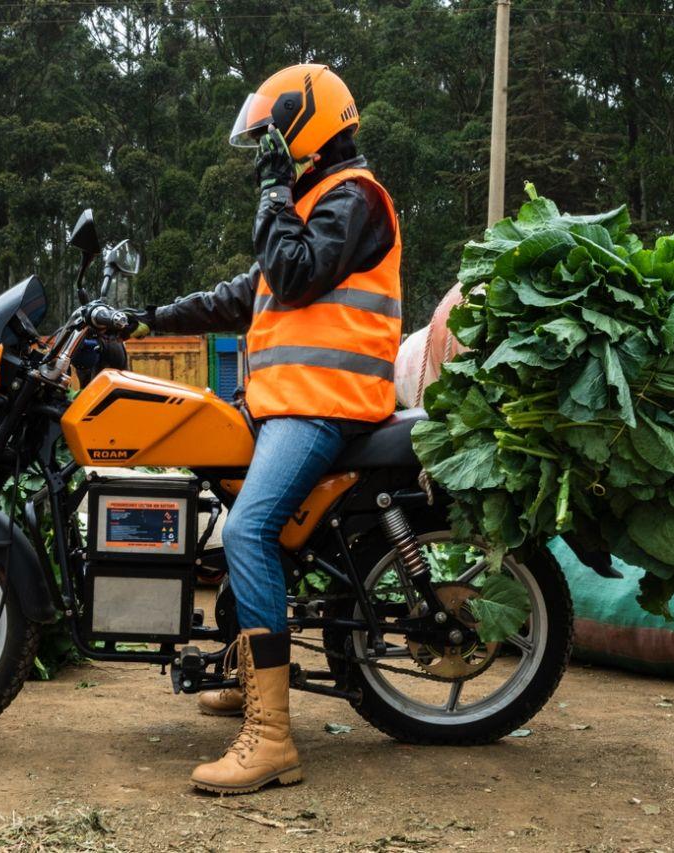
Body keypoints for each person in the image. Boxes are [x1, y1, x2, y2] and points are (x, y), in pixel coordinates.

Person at [127, 64, 401, 794]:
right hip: (285, 401)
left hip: (326, 402)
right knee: (226, 502)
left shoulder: (355, 199)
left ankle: (273, 738)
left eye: (272, 141)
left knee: (247, 531)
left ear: (307, 125)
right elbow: (244, 294)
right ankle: (247, 676)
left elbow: (296, 270)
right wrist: (145, 317)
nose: (266, 158)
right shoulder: (315, 201)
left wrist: (274, 194)